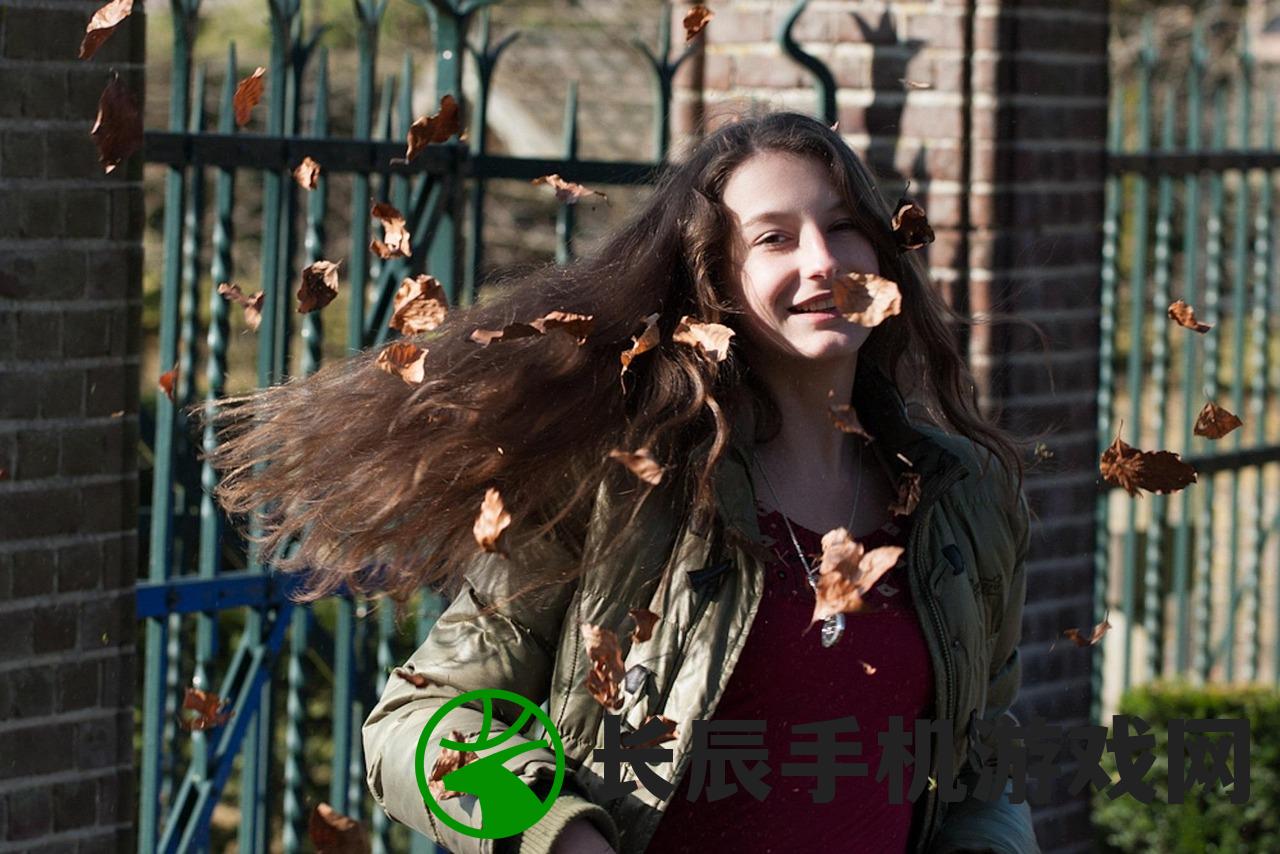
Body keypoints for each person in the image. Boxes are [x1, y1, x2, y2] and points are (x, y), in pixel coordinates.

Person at [201, 109, 1040, 854]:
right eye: (776, 238)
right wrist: (555, 834)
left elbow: (981, 756)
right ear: (717, 283)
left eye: (845, 226)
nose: (823, 261)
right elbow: (417, 728)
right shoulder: (624, 485)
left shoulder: (959, 493)